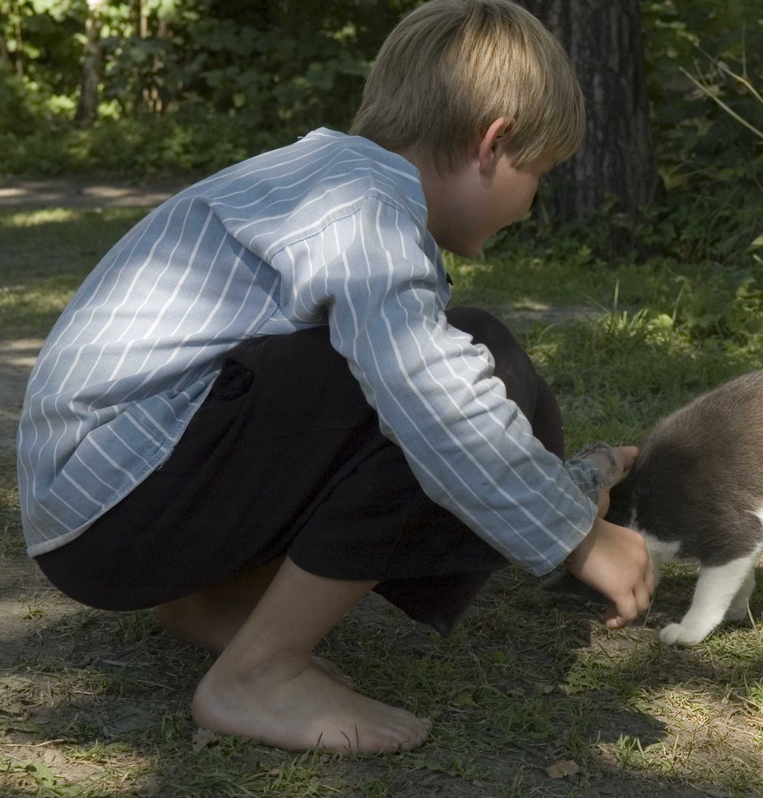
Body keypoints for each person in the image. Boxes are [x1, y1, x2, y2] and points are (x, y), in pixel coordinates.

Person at [16, 0, 653, 754]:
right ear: (494, 142)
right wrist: (579, 536)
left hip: (99, 511)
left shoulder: (323, 179)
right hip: (121, 511)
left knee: (451, 373)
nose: (532, 201)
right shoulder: (364, 207)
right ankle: (259, 674)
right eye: (538, 174)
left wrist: (570, 484)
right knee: (475, 366)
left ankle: (214, 600)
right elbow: (436, 398)